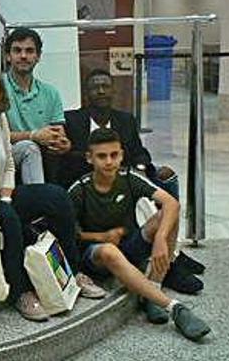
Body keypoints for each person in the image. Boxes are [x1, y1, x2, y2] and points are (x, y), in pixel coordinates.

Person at [0, 64, 106, 321]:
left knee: (57, 197)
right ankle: (21, 292)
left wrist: (6, 191)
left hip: (3, 192)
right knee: (11, 221)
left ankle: (73, 269)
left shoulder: (0, 120)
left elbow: (9, 163)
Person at [69, 128, 211, 341]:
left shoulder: (128, 177)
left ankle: (152, 291)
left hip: (129, 246)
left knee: (167, 215)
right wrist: (101, 237)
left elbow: (171, 203)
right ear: (90, 158)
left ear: (122, 155)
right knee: (109, 251)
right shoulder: (79, 189)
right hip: (96, 256)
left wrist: (161, 239)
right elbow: (70, 235)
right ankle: (174, 308)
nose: (109, 161)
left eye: (114, 155)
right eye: (102, 156)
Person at [63, 69, 181, 196]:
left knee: (168, 177)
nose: (101, 91)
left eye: (106, 87)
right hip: (84, 179)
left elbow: (138, 152)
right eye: (95, 88)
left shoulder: (126, 120)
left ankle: (168, 214)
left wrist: (142, 169)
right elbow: (68, 159)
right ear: (86, 93)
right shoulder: (71, 120)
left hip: (124, 177)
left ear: (113, 92)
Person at [3, 27, 70, 184]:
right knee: (29, 147)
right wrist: (34, 135)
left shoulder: (51, 92)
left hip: (45, 157)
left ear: (38, 56)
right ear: (7, 56)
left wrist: (63, 143)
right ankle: (38, 200)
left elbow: (59, 132)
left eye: (29, 51)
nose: (23, 56)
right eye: (17, 51)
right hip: (5, 153)